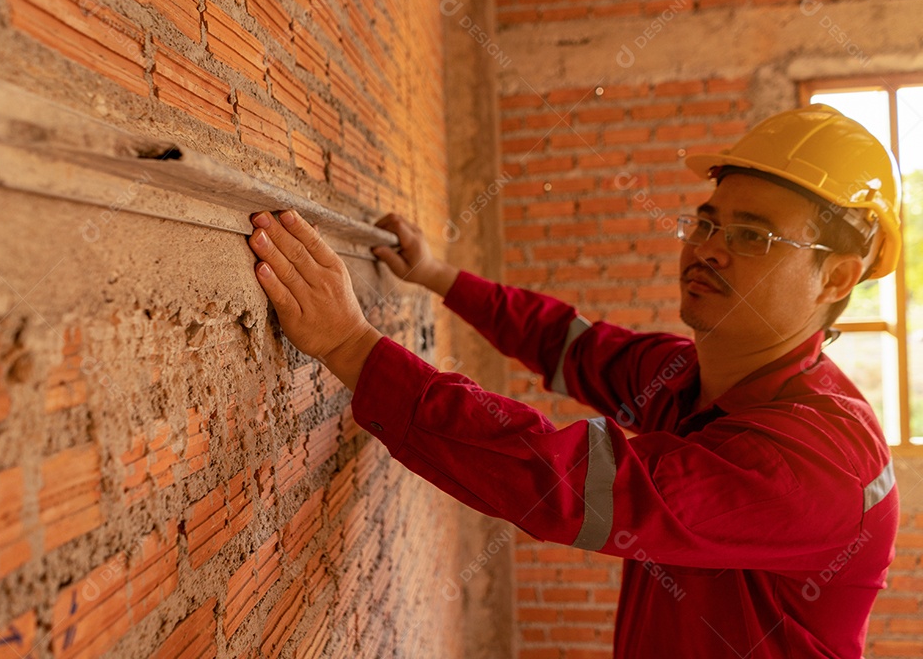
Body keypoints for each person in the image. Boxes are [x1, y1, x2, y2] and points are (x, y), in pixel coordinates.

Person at [245, 104, 902, 658]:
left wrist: (351, 346)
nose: (707, 247)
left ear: (838, 278)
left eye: (753, 236)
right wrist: (436, 276)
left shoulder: (819, 460)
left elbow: (563, 485)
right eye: (706, 222)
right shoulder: (696, 379)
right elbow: (569, 343)